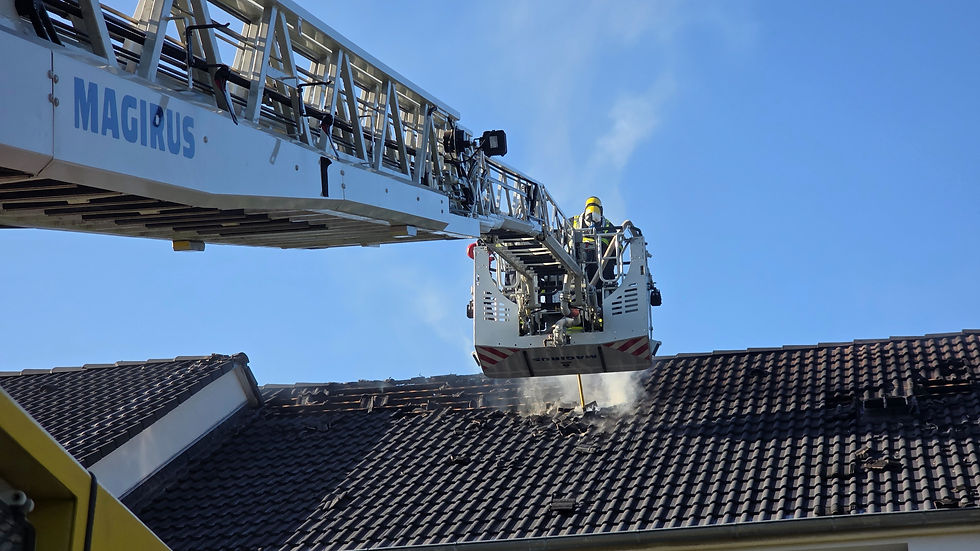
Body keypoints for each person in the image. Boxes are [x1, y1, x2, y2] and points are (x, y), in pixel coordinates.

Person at [570, 196, 616, 286]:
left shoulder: (608, 225)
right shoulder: (573, 221)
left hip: (601, 263)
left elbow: (617, 246)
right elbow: (560, 236)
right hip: (578, 257)